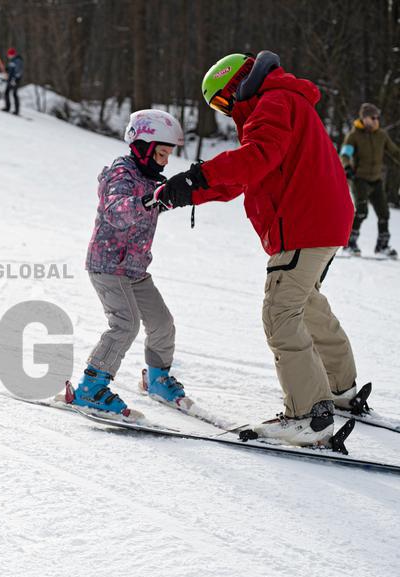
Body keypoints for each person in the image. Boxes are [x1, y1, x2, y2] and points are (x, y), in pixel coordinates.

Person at [151, 51, 361, 446]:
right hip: (324, 221)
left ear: (234, 85)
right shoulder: (286, 100)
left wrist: (195, 178)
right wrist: (186, 193)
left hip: (304, 224)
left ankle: (308, 416)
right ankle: (339, 388)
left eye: (221, 101)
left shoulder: (272, 102)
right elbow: (248, 174)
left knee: (280, 311)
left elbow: (256, 157)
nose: (226, 110)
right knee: (306, 303)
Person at [63, 109, 188, 421]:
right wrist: (153, 198)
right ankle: (91, 386)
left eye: (168, 154)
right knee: (126, 324)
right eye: (161, 153)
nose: (165, 161)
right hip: (108, 264)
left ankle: (158, 380)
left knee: (162, 323)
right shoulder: (120, 175)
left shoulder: (148, 178)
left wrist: (176, 194)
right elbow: (118, 212)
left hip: (134, 268)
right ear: (144, 146)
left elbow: (150, 204)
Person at [339, 102, 400, 257]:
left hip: (376, 180)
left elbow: (394, 151)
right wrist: (347, 168)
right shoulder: (354, 136)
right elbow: (345, 154)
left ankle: (382, 246)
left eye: (377, 117)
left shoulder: (381, 135)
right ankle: (350, 244)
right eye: (373, 117)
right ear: (365, 118)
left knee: (384, 213)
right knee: (361, 211)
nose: (376, 120)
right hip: (359, 179)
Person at [3, 48, 23, 115]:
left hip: (15, 80)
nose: (8, 56)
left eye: (9, 55)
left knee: (14, 94)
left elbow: (18, 71)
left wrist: (14, 79)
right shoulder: (11, 61)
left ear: (12, 54)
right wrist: (6, 70)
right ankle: (7, 107)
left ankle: (16, 111)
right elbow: (10, 69)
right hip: (10, 79)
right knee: (6, 92)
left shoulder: (18, 61)